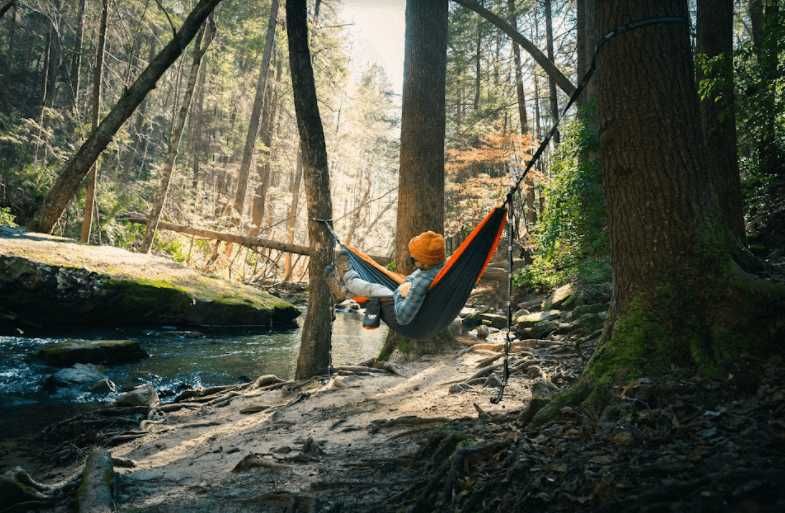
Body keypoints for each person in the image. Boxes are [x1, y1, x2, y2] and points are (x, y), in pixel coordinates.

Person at [327, 231, 445, 329]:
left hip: (401, 315)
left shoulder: (422, 282)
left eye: (414, 259)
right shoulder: (436, 268)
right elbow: (414, 279)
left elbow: (402, 317)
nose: (412, 261)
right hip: (416, 307)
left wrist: (400, 292)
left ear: (425, 261)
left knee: (375, 287)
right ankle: (343, 291)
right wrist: (408, 283)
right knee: (373, 288)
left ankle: (348, 276)